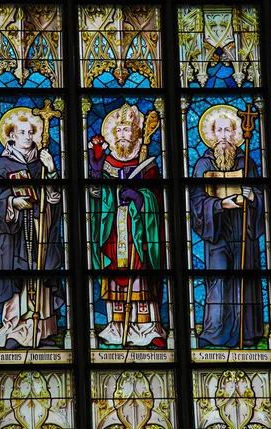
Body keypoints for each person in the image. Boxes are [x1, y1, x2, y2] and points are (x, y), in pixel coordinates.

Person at [88, 103, 167, 347]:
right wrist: (96, 172)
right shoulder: (108, 163)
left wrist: (140, 198)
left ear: (137, 133)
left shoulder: (148, 165)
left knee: (142, 275)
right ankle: (117, 325)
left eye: (128, 129)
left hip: (140, 231)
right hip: (113, 229)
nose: (123, 134)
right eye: (119, 130)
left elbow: (158, 199)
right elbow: (96, 197)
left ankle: (146, 327)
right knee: (115, 273)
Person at [0, 108, 65, 350]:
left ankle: (42, 331)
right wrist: (12, 202)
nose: (27, 136)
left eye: (31, 132)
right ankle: (15, 329)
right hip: (14, 235)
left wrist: (51, 171)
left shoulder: (41, 162)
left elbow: (54, 198)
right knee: (17, 279)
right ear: (11, 135)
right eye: (22, 132)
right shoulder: (2, 165)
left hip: (41, 228)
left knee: (41, 273)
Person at [189, 106, 264, 348]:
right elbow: (196, 199)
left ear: (235, 134)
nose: (223, 136)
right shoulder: (203, 165)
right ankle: (215, 333)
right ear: (211, 134)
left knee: (245, 277)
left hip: (243, 229)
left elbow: (260, 195)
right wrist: (220, 204)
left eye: (228, 130)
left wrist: (252, 197)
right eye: (219, 131)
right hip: (217, 230)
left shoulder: (246, 162)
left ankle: (247, 332)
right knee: (219, 280)